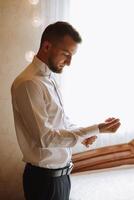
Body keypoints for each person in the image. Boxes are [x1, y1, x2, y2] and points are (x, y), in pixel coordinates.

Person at [11, 21, 121, 200]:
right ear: (46, 46)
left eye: (72, 55)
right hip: (45, 182)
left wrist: (84, 135)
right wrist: (97, 128)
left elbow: (60, 121)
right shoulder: (29, 83)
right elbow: (45, 138)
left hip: (62, 176)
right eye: (66, 54)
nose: (69, 62)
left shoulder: (49, 78)